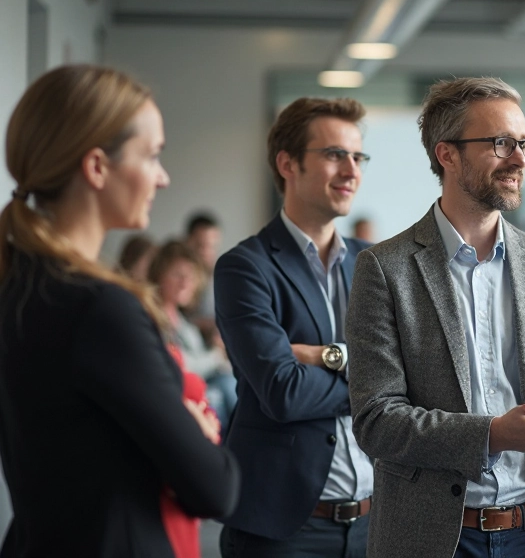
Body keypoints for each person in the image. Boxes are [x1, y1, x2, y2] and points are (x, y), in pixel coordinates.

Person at [346, 76, 525, 558]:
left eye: (524, 143)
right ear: (447, 155)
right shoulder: (385, 269)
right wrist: (493, 434)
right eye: (501, 143)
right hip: (436, 537)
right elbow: (377, 421)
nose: (520, 159)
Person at [0, 64, 239, 557]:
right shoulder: (101, 308)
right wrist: (193, 428)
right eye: (152, 156)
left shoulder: (19, 283)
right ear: (96, 167)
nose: (163, 177)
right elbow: (215, 489)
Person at [214, 96, 374, 557]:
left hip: (373, 522)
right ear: (288, 163)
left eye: (357, 156)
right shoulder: (245, 267)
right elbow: (282, 392)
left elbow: (416, 378)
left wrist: (322, 355)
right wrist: (376, 380)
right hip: (283, 530)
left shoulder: (373, 264)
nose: (351, 170)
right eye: (333, 155)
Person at [150, 240, 235, 425]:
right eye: (177, 275)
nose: (185, 283)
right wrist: (215, 356)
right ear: (158, 275)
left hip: (199, 392)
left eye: (190, 277)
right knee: (222, 391)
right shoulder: (153, 318)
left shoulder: (183, 323)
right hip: (176, 397)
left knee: (232, 384)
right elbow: (179, 365)